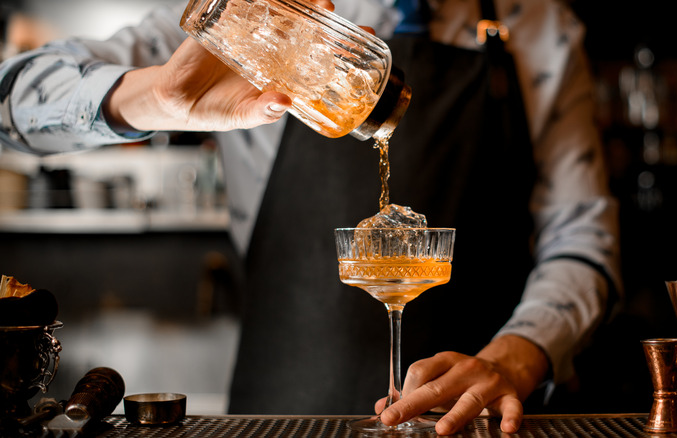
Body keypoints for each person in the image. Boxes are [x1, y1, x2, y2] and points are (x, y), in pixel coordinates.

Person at [0, 0, 620, 434]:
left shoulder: (540, 25)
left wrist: (519, 355)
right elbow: (11, 99)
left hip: (476, 422)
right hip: (279, 415)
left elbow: (584, 243)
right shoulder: (258, 15)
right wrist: (156, 94)